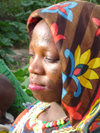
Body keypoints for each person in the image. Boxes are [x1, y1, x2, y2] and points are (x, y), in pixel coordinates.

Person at [9, 0, 100, 133]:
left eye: (49, 58)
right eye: (31, 55)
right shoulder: (32, 113)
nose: (33, 68)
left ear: (88, 61)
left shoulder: (90, 127)